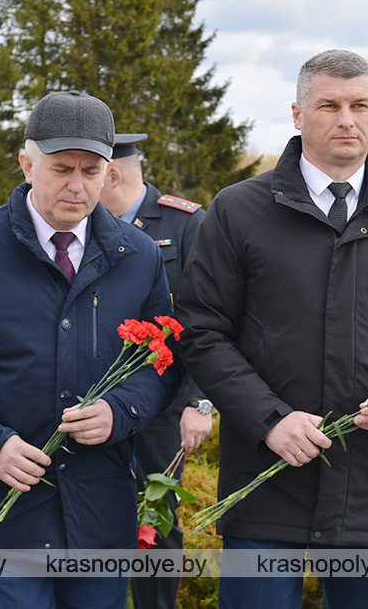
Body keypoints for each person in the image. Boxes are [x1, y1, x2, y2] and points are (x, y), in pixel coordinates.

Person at [175, 50, 368, 609]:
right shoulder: (239, 211)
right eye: (329, 106)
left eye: (360, 106)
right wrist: (270, 420)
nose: (347, 120)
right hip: (267, 477)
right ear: (297, 114)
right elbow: (201, 330)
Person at [0, 90, 179, 609]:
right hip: (7, 507)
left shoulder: (137, 255)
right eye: (61, 168)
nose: (77, 185)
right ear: (28, 165)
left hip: (100, 510)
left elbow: (161, 362)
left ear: (109, 172)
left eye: (91, 171)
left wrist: (120, 411)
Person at [100, 132, 212, 609]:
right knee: (101, 514)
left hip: (166, 400)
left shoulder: (185, 224)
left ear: (112, 174)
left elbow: (209, 321)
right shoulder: (89, 226)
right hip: (103, 398)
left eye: (91, 172)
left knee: (156, 515)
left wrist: (200, 401)